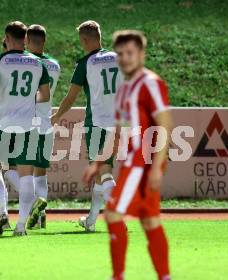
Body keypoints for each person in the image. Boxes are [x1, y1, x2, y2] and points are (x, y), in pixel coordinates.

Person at [82, 30, 172, 280]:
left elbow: (165, 124)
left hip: (142, 163)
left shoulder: (150, 83)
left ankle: (118, 276)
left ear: (141, 54)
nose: (125, 58)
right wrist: (97, 162)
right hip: (134, 161)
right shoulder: (124, 89)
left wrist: (156, 167)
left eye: (130, 53)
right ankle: (165, 276)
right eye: (120, 54)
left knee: (112, 214)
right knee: (150, 221)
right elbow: (117, 131)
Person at [0, 21, 50, 236]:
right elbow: (45, 95)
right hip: (28, 125)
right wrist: (28, 99)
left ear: (7, 38)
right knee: (26, 174)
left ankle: (2, 213)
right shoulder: (38, 63)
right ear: (26, 39)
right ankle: (21, 227)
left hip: (3, 123)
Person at [51, 20, 122, 232]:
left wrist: (56, 116)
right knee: (101, 174)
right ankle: (90, 220)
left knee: (103, 172)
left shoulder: (85, 64)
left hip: (97, 123)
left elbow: (71, 97)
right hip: (119, 123)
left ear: (84, 40)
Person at [25, 24, 60, 229]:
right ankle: (41, 214)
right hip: (46, 122)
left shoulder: (27, 63)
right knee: (41, 171)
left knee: (21, 171)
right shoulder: (55, 65)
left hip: (28, 122)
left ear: (27, 41)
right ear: (45, 41)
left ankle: (32, 210)